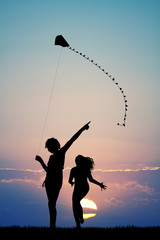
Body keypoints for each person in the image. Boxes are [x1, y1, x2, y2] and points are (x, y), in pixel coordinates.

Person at [35, 121, 90, 229]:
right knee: (51, 204)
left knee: (51, 203)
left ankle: (52, 226)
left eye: (49, 147)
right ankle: (52, 225)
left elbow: (72, 139)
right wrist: (41, 161)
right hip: (49, 181)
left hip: (56, 181)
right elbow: (48, 170)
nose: (48, 149)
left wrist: (82, 129)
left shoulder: (61, 153)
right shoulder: (51, 157)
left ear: (54, 146)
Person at [68, 155, 106, 228]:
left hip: (84, 188)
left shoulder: (84, 169)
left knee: (76, 202)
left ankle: (79, 221)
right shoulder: (75, 169)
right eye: (76, 160)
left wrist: (99, 184)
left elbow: (91, 179)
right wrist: (72, 182)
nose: (76, 162)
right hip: (78, 188)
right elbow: (69, 180)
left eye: (77, 161)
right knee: (75, 203)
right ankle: (78, 223)